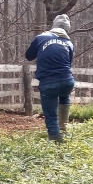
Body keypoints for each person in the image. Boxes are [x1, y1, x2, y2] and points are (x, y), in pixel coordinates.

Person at [25, 14, 75, 143]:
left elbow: (29, 56)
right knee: (64, 96)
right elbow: (69, 63)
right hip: (67, 80)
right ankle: (63, 128)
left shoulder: (41, 37)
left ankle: (56, 140)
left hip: (48, 82)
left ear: (54, 26)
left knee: (51, 113)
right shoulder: (69, 43)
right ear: (67, 29)